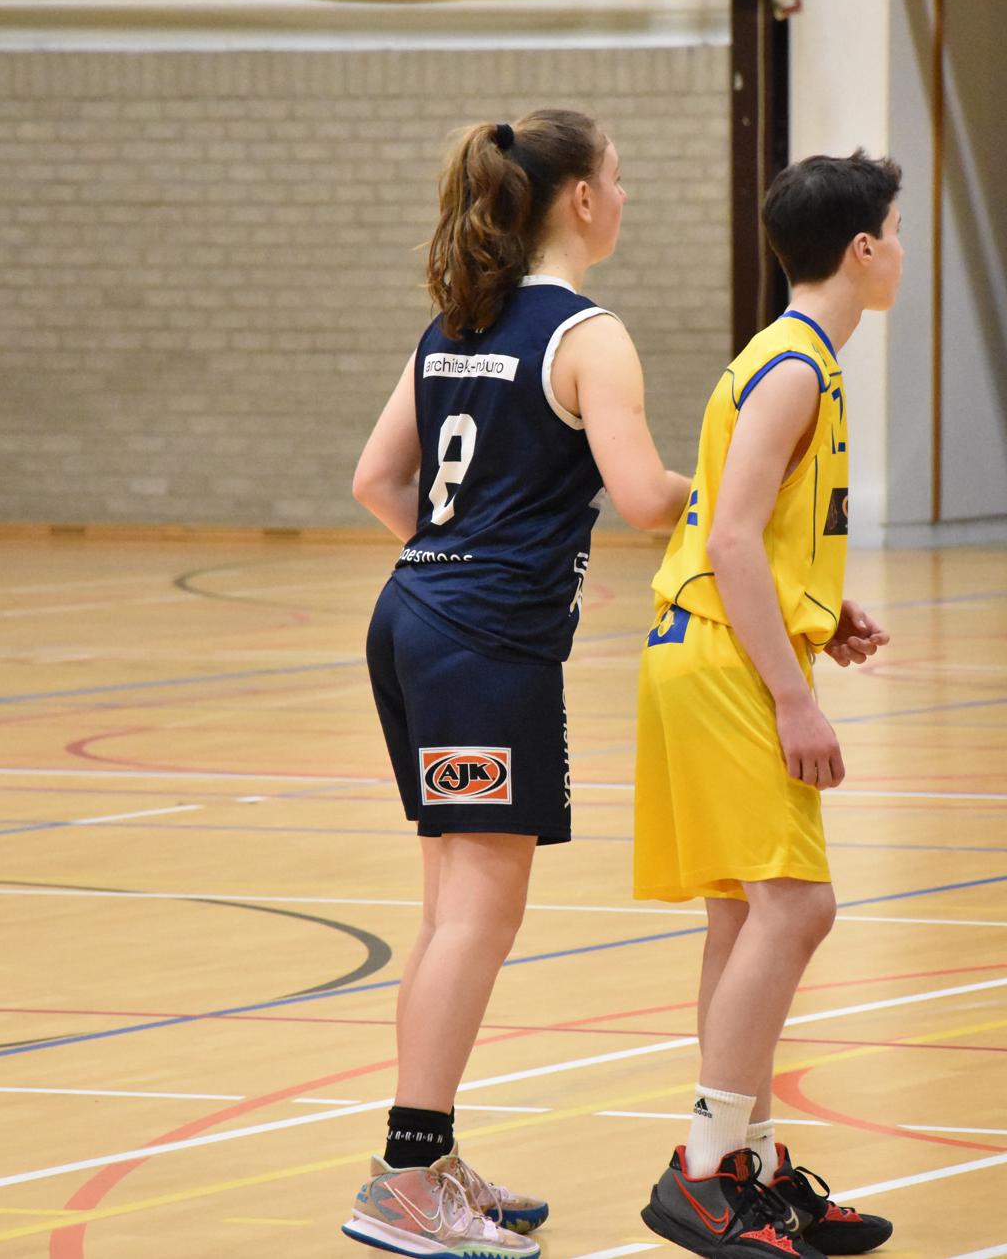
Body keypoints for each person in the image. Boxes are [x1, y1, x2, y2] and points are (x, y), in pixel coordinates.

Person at [347, 109, 691, 1257]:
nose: (624, 196)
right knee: (477, 919)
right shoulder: (588, 335)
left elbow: (375, 481)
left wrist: (457, 561)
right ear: (580, 200)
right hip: (481, 645)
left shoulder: (455, 321)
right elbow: (643, 498)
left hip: (410, 619)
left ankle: (423, 1161)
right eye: (618, 176)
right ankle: (405, 1178)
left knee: (448, 913)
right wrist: (737, 488)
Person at [632, 151, 904, 1259]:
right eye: (896, 232)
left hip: (704, 645)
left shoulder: (788, 357)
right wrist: (795, 698)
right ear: (862, 249)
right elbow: (731, 539)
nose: (901, 251)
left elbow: (737, 526)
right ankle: (705, 1168)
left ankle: (742, 1158)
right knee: (797, 908)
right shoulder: (793, 367)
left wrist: (814, 611)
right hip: (721, 662)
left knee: (745, 915)